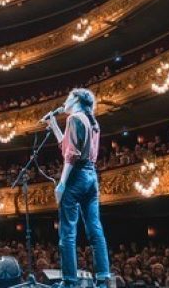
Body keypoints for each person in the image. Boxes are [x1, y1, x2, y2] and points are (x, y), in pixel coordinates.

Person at [43, 88, 110, 288]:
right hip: (91, 176)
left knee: (68, 233)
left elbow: (70, 156)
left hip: (76, 176)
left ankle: (69, 281)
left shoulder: (74, 119)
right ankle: (103, 279)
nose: (65, 101)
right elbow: (67, 146)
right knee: (95, 229)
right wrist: (53, 123)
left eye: (68, 97)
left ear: (77, 100)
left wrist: (62, 184)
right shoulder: (92, 121)